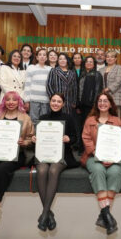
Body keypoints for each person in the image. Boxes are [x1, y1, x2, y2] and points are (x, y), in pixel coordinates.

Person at [0, 91, 33, 229]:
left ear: (18, 102)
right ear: (4, 102)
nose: (11, 102)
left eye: (14, 100)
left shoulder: (25, 118)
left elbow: (32, 139)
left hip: (17, 154)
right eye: (8, 100)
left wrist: (25, 142)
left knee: (2, 169)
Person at [32, 93, 80, 231]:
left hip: (62, 155)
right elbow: (36, 138)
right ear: (49, 102)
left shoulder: (68, 118)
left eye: (59, 101)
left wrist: (68, 139)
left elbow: (75, 138)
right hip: (43, 153)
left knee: (53, 170)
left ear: (63, 104)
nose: (56, 103)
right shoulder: (42, 118)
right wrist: (35, 138)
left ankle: (44, 214)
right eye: (53, 101)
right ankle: (48, 214)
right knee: (42, 170)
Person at [80, 92, 121, 235]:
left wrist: (113, 157)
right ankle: (107, 215)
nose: (102, 103)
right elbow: (86, 139)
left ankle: (104, 215)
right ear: (96, 104)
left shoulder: (117, 120)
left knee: (115, 172)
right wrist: (97, 154)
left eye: (105, 101)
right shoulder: (90, 120)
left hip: (114, 159)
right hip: (93, 157)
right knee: (99, 171)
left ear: (111, 103)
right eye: (100, 101)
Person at [25, 48, 51, 123]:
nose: (42, 56)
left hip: (46, 100)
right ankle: (33, 135)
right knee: (33, 120)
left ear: (46, 58)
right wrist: (27, 100)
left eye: (44, 55)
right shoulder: (31, 68)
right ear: (36, 57)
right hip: (34, 100)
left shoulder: (50, 69)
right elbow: (27, 85)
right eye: (40, 55)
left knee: (44, 121)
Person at [77, 56, 103, 124]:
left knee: (90, 123)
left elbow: (98, 90)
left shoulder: (97, 74)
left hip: (91, 105)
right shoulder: (82, 74)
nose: (88, 63)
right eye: (87, 61)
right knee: (82, 124)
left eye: (91, 62)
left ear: (94, 64)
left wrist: (95, 104)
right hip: (82, 104)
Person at [99, 50, 121, 117]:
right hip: (104, 98)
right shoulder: (101, 70)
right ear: (105, 58)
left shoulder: (119, 68)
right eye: (107, 57)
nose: (109, 58)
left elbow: (119, 80)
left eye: (112, 57)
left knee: (116, 120)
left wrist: (108, 89)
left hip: (116, 97)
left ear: (115, 59)